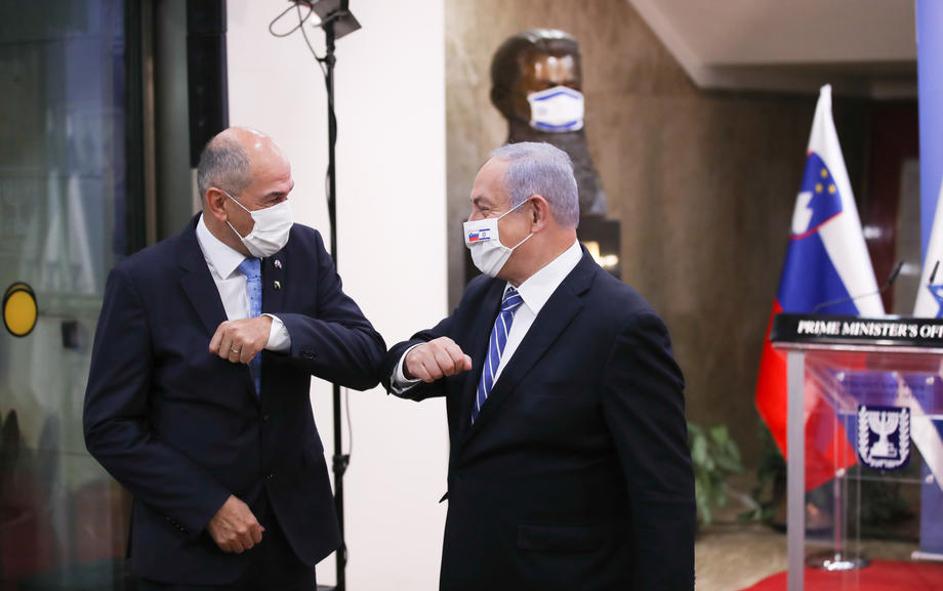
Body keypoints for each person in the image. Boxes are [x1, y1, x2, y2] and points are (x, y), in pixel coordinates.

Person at [382, 142, 695, 590]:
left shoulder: (623, 325)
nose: (471, 223)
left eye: (483, 208)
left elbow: (662, 490)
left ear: (534, 214)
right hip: (473, 564)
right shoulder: (485, 295)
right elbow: (419, 354)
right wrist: (412, 360)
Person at [84, 127, 385, 590]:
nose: (286, 210)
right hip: (190, 552)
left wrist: (278, 330)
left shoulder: (302, 251)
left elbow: (367, 357)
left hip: (288, 541)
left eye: (289, 193)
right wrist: (207, 506)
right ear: (219, 203)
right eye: (272, 199)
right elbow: (110, 427)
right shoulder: (143, 281)